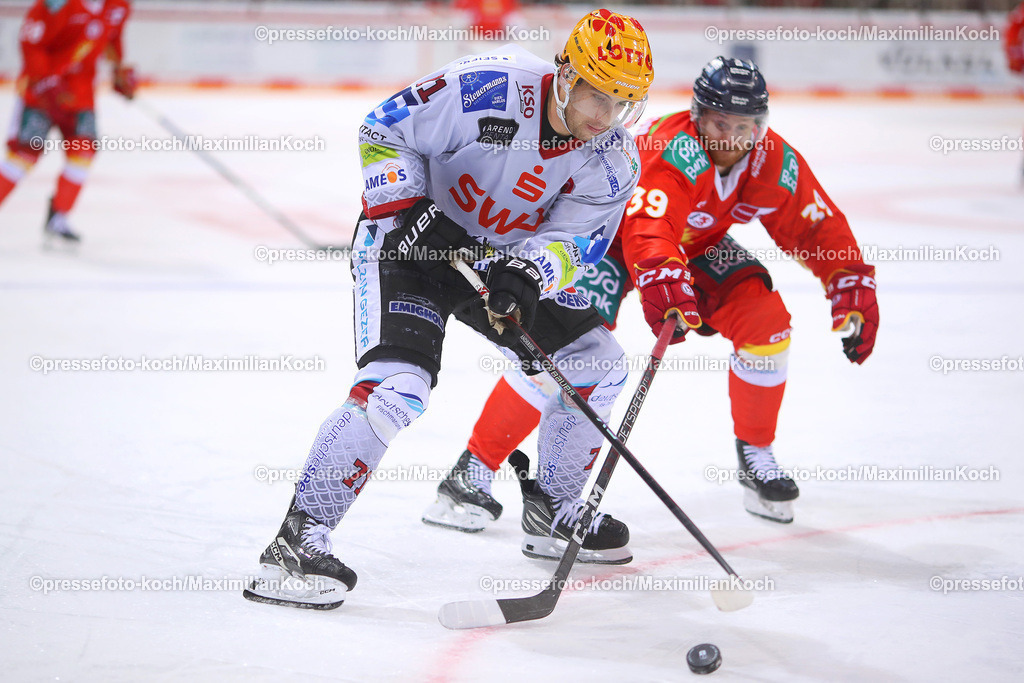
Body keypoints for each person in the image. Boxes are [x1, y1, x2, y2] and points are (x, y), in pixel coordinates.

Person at [243, 9, 654, 610]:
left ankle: (554, 511)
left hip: (491, 261)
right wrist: (409, 208)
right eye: (595, 94)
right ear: (566, 74)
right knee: (397, 387)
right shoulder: (489, 85)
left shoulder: (612, 160)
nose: (604, 117)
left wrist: (525, 273)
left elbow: (579, 241)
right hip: (407, 244)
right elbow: (384, 128)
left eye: (620, 103)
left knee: (596, 361)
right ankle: (296, 543)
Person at [423, 56, 879, 529]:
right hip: (607, 240)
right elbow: (648, 225)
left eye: (745, 126)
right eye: (721, 122)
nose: (731, 138)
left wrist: (850, 282)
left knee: (767, 321)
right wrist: (663, 276)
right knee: (565, 351)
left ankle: (756, 454)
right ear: (699, 115)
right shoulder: (674, 147)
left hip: (691, 248)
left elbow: (817, 226)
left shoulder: (773, 161)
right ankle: (473, 468)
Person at [0, 0, 136, 242]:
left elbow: (112, 38)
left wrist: (119, 70)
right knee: (23, 157)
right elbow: (31, 42)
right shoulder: (57, 3)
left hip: (79, 96)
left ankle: (59, 216)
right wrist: (44, 81)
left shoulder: (119, 5)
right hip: (41, 93)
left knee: (83, 152)